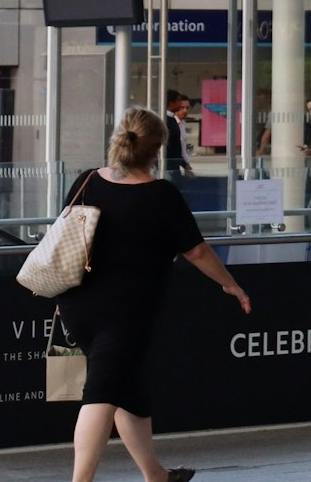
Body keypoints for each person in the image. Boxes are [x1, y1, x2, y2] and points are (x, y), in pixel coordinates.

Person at [58, 107, 250, 482]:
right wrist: (230, 283)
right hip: (126, 313)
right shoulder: (160, 195)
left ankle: (156, 475)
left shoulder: (86, 181)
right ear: (157, 149)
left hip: (77, 303)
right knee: (102, 393)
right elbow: (197, 251)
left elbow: (66, 235)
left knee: (128, 388)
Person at [162, 90, 192, 177]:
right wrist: (184, 164)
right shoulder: (167, 121)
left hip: (174, 165)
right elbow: (172, 147)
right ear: (171, 103)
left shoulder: (174, 121)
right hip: (169, 166)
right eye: (178, 101)